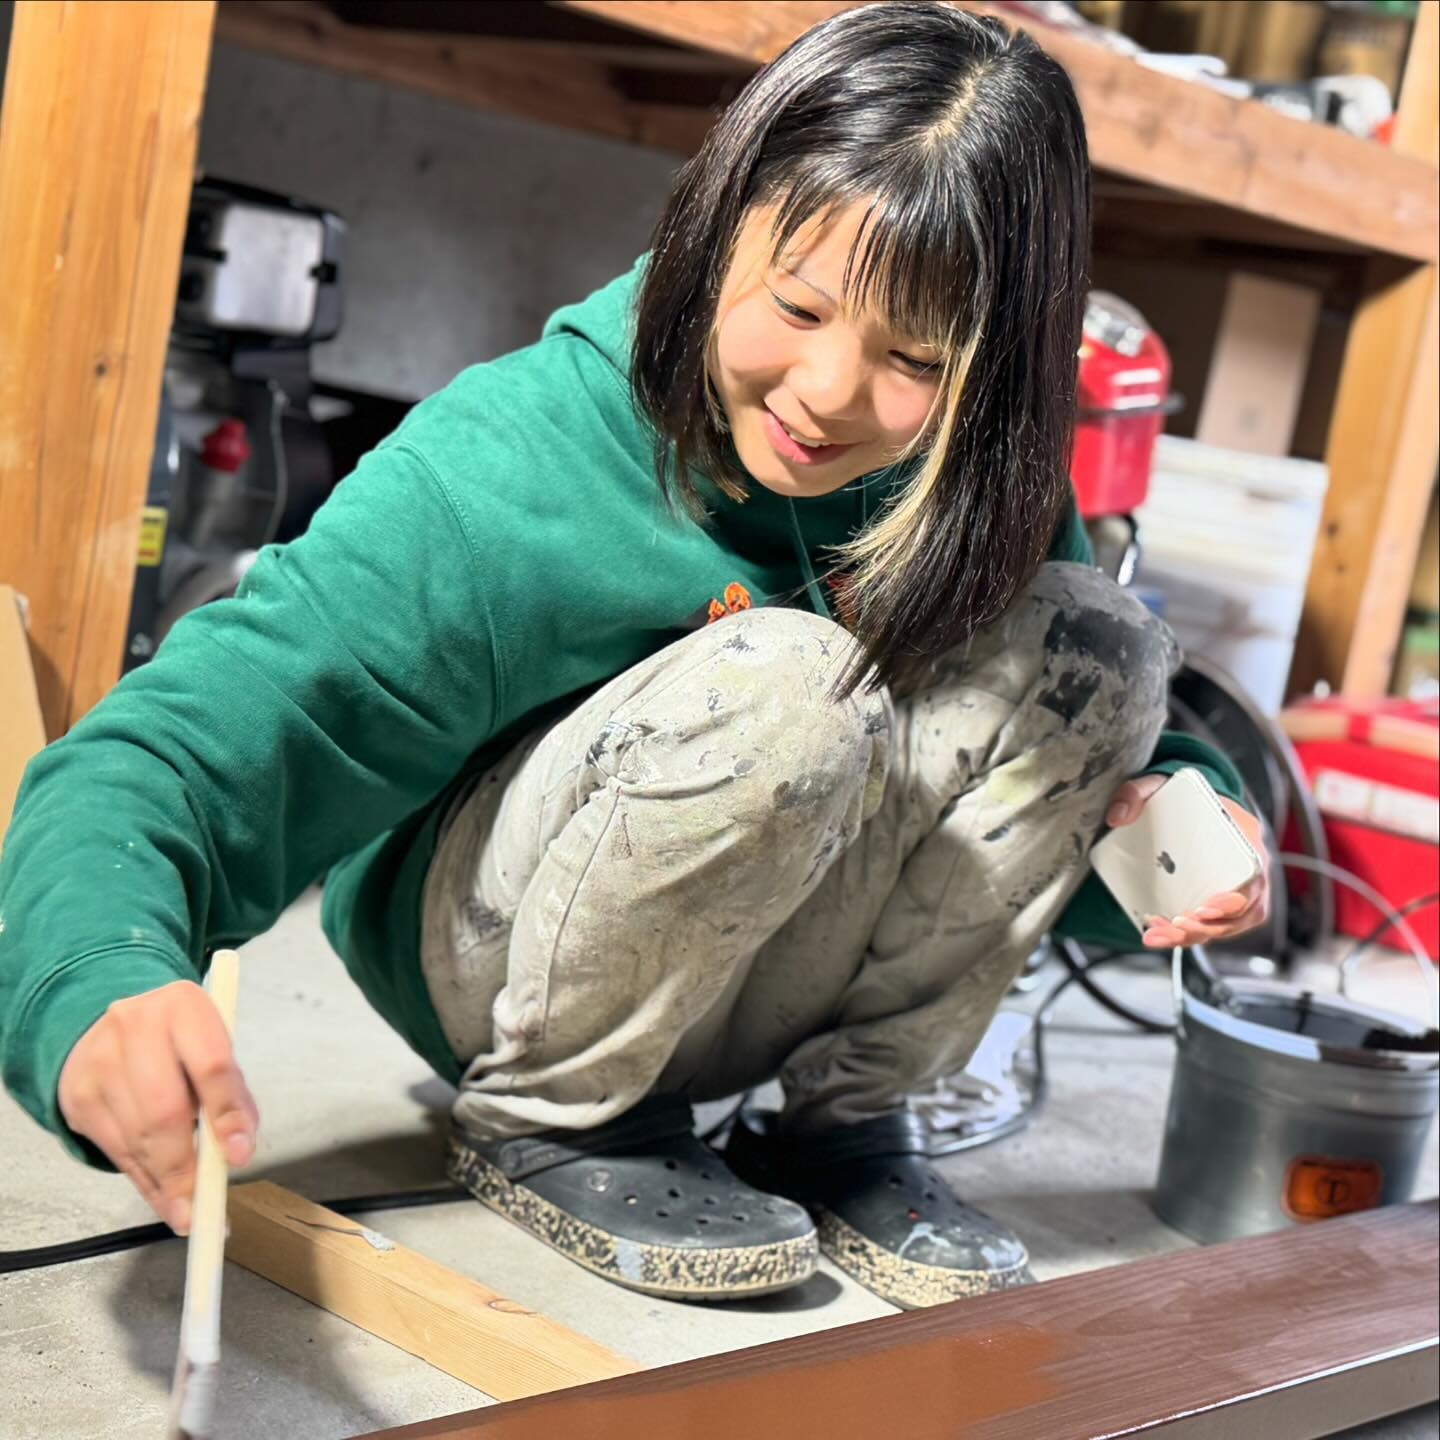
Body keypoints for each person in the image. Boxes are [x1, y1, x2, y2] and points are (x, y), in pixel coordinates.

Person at [0, 4, 1267, 1311]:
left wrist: (1175, 829)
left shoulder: (972, 473)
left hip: (764, 939)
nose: (830, 391)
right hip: (502, 971)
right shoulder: (516, 464)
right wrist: (96, 982)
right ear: (718, 224)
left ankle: (838, 1128)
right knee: (787, 680)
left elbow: (1072, 774)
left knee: (1098, 640)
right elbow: (163, 763)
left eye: (914, 358)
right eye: (798, 304)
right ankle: (559, 1117)